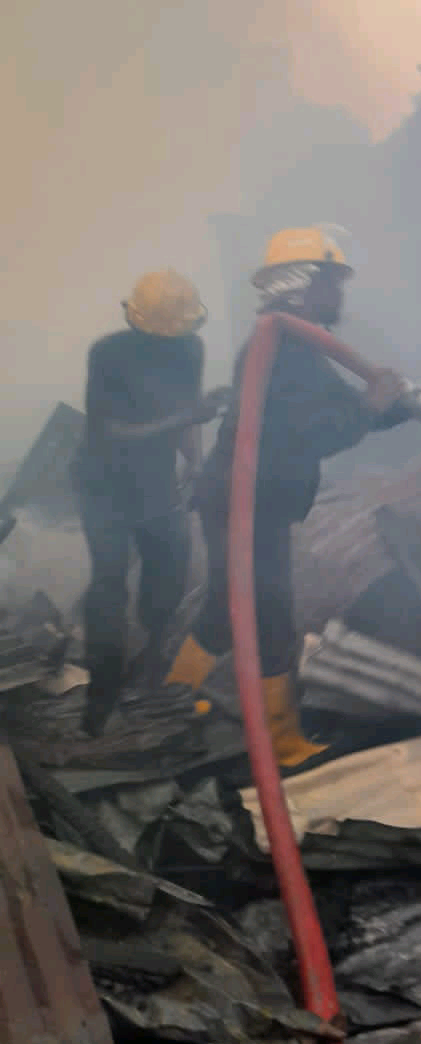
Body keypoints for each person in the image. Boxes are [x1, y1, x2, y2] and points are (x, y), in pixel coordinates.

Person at [163, 225, 412, 773]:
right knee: (271, 616)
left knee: (226, 611)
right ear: (306, 283)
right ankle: (282, 743)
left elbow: (345, 411)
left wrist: (399, 406)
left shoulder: (295, 345)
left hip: (249, 499)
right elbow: (315, 431)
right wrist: (371, 407)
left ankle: (168, 704)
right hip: (244, 502)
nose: (341, 295)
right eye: (333, 281)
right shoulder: (284, 346)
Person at [73, 270, 231, 737]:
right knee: (109, 585)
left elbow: (189, 416)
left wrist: (196, 463)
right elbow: (110, 431)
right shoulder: (109, 354)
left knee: (169, 573)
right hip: (103, 484)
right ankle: (100, 701)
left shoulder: (189, 348)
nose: (170, 342)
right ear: (132, 319)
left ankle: (149, 669)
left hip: (155, 483)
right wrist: (186, 416)